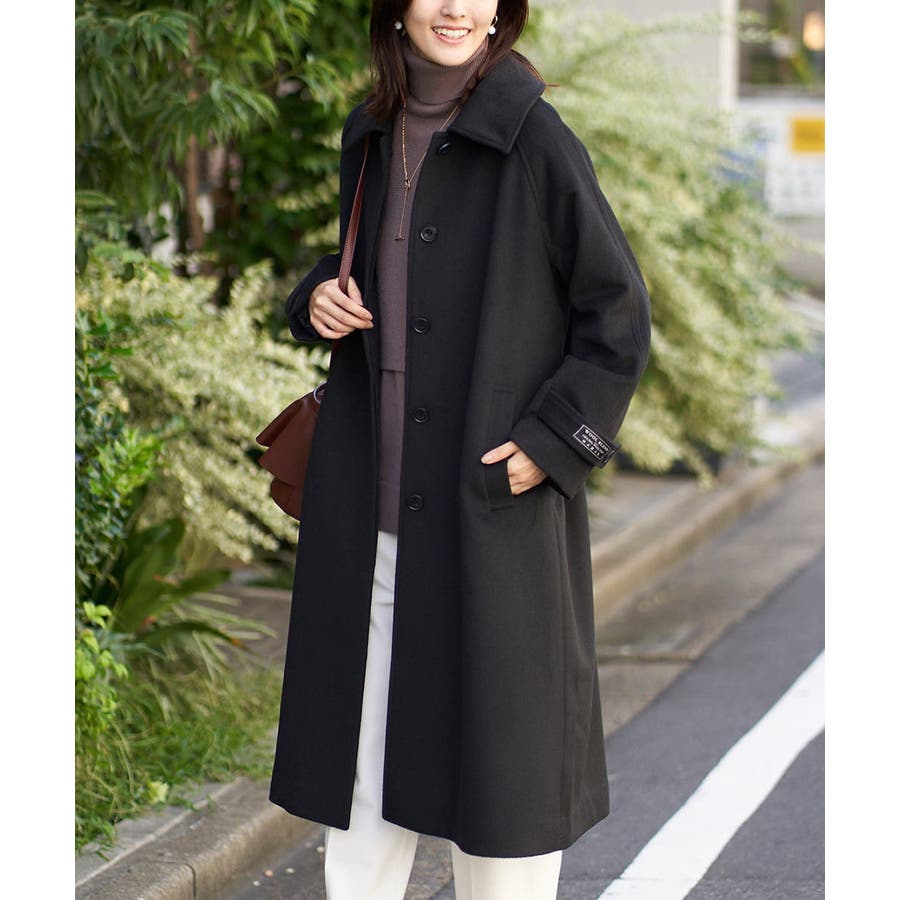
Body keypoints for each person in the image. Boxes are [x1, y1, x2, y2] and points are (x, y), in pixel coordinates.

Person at [269, 1, 651, 897]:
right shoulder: (370, 133)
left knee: (501, 789)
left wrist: (553, 441)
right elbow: (374, 269)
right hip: (371, 516)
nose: (455, 7)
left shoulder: (534, 138)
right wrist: (318, 296)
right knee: (360, 784)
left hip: (489, 517)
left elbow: (617, 314)